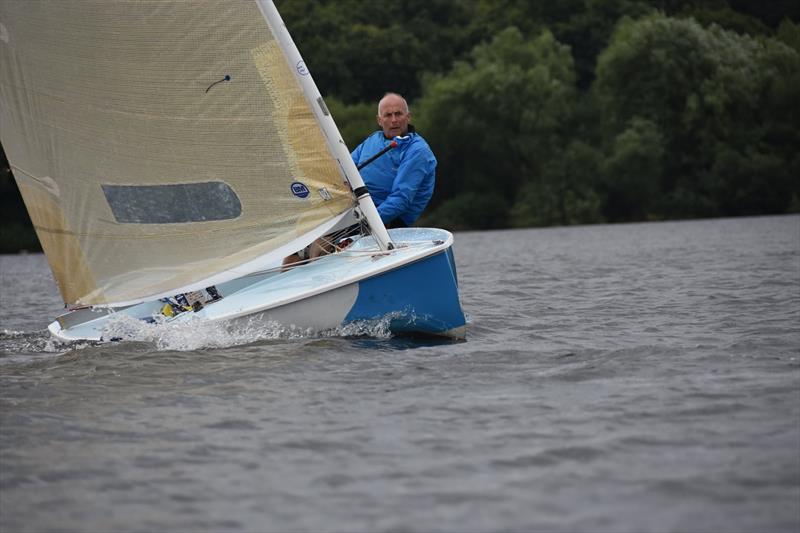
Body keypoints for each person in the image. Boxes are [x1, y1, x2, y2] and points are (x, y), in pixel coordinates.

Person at [283, 92, 436, 268]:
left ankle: (319, 273)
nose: (394, 120)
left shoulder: (417, 151)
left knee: (321, 244)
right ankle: (280, 286)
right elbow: (344, 171)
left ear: (408, 117)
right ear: (380, 120)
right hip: (355, 210)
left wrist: (357, 222)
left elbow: (401, 200)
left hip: (386, 218)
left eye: (399, 114)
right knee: (300, 241)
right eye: (388, 115)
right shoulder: (372, 141)